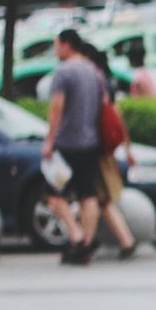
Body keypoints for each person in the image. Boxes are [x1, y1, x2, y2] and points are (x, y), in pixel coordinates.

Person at [43, 30, 105, 265]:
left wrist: (49, 140)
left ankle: (78, 237)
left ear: (67, 45)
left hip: (67, 143)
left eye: (56, 45)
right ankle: (86, 246)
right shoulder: (94, 71)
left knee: (54, 195)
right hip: (91, 142)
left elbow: (57, 107)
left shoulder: (64, 71)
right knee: (88, 195)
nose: (55, 51)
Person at [80, 42, 138, 260]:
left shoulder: (96, 82)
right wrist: (128, 149)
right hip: (103, 149)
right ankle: (123, 241)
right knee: (101, 200)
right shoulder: (106, 81)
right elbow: (118, 119)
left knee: (94, 197)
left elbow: (111, 118)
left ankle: (86, 243)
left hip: (96, 148)